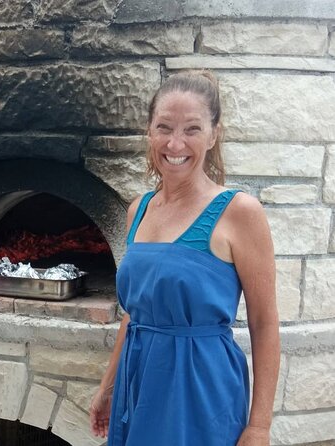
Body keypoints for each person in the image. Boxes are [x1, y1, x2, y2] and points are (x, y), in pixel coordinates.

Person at [89, 70, 280, 446]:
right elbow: (135, 312)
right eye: (164, 127)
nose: (175, 143)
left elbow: (263, 322)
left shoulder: (239, 212)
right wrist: (108, 387)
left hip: (200, 390)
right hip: (138, 381)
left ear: (214, 134)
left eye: (192, 129)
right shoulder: (138, 210)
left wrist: (259, 426)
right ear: (149, 131)